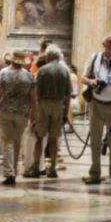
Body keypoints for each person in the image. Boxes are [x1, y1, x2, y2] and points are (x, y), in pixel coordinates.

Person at [82, 33, 111, 184]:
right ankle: (94, 173)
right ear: (103, 43)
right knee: (95, 141)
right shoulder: (94, 58)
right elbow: (83, 77)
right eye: (109, 41)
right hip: (96, 105)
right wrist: (92, 82)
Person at [0, 47, 37, 185]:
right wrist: (34, 115)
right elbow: (33, 99)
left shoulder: (4, 73)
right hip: (23, 112)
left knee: (7, 141)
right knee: (17, 142)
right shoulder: (29, 76)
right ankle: (14, 171)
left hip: (5, 110)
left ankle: (9, 172)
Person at [33, 41, 73, 177]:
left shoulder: (42, 70)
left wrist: (35, 111)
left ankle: (35, 167)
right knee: (53, 138)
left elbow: (37, 92)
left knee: (39, 137)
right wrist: (66, 112)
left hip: (44, 104)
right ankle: (53, 168)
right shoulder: (65, 71)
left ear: (49, 56)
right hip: (58, 105)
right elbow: (68, 94)